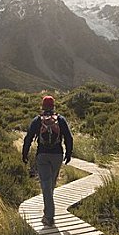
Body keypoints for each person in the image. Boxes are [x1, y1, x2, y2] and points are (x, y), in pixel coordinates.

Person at [22, 95, 73, 226]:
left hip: (42, 155)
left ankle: (49, 216)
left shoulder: (37, 120)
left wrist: (25, 154)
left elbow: (28, 138)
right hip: (57, 155)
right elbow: (69, 137)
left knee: (45, 184)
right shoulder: (60, 119)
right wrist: (68, 154)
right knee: (51, 184)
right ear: (54, 106)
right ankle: (48, 212)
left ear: (43, 106)